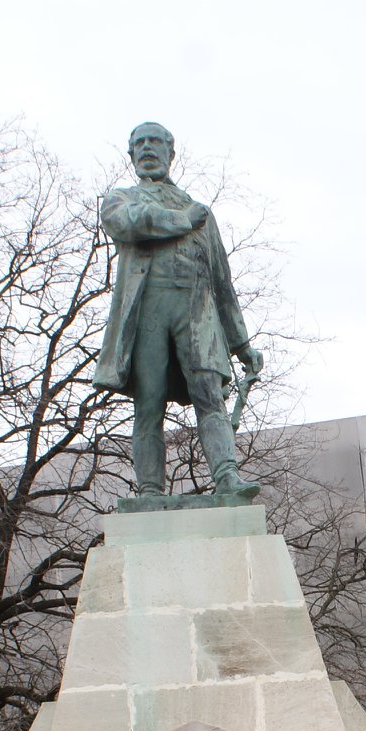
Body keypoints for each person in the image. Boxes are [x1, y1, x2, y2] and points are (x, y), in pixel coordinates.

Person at [92, 122, 264, 502]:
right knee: (148, 404)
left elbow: (222, 284)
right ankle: (150, 491)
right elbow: (127, 223)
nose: (147, 148)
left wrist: (241, 345)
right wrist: (182, 221)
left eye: (155, 142)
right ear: (131, 155)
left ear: (171, 153)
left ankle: (227, 477)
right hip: (148, 314)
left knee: (210, 396)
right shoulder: (122, 200)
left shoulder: (201, 213)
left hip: (195, 312)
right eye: (139, 143)